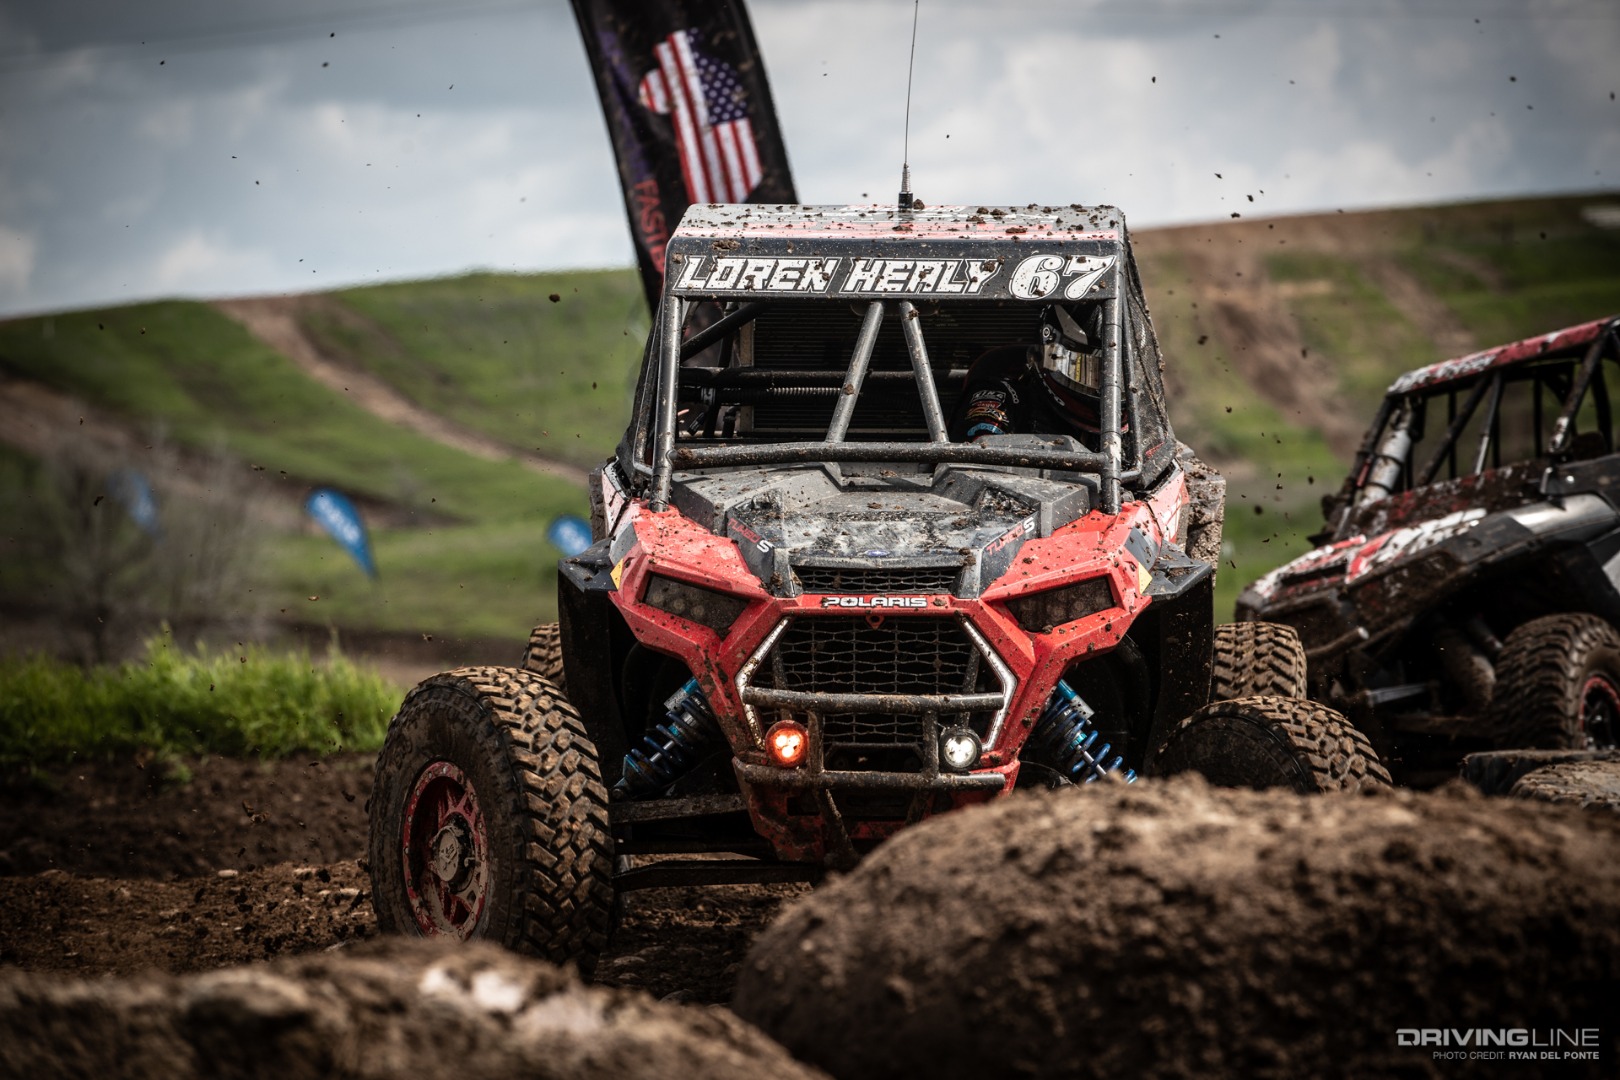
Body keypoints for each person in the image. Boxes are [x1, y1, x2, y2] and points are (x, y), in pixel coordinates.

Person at [948, 304, 1109, 448]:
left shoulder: (1129, 419)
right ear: (1048, 355)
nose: (1101, 382)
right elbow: (970, 471)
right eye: (1084, 368)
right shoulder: (1002, 398)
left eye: (1115, 373)